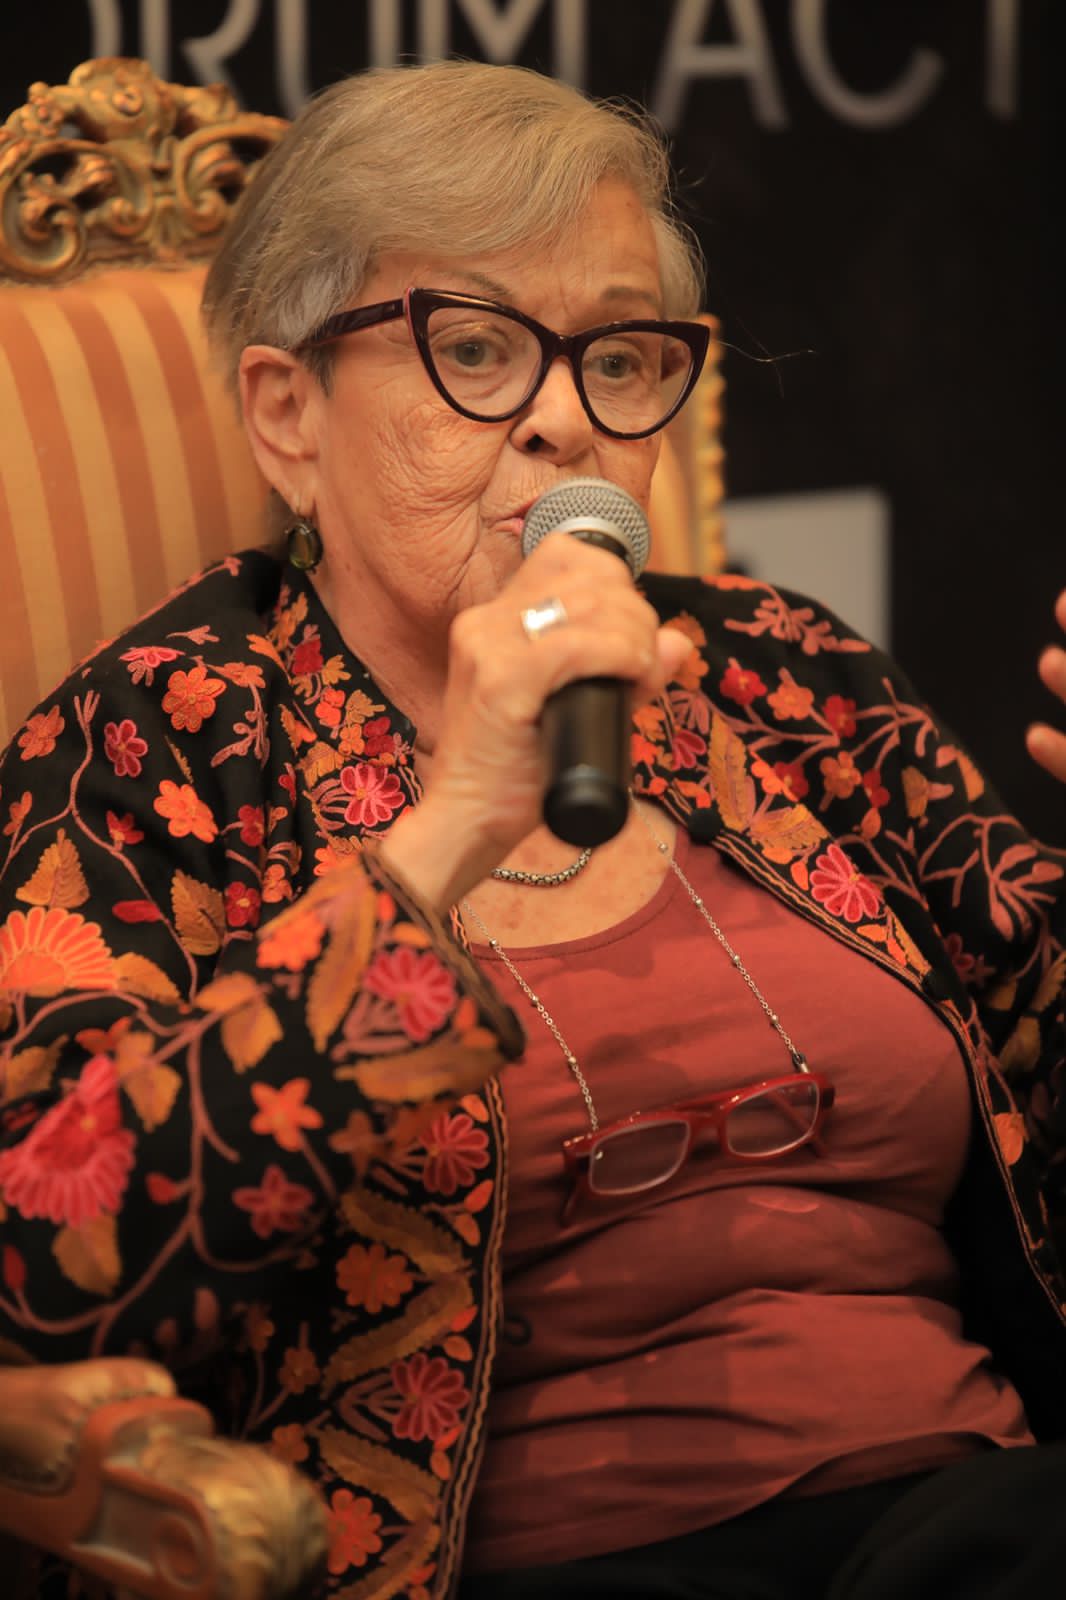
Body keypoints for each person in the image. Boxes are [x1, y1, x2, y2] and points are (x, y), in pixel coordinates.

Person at [0, 58, 1064, 1600]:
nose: (565, 419)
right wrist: (445, 835)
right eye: (477, 348)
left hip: (967, 1508)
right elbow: (50, 1266)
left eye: (617, 356)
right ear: (288, 414)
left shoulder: (776, 673)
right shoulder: (153, 746)